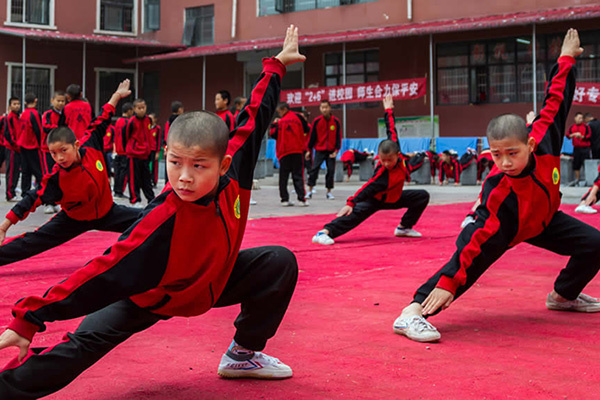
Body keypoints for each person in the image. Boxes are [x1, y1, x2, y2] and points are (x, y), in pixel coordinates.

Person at [0, 25, 303, 398]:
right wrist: (29, 316)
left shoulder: (235, 171)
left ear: (223, 165)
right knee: (80, 346)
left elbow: (254, 116)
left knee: (278, 261)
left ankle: (243, 354)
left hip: (211, 282)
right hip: (151, 296)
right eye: (175, 163)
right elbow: (101, 270)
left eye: (198, 166)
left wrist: (276, 66)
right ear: (166, 157)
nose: (185, 177)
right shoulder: (161, 222)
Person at [393, 29, 600, 344]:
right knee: (461, 270)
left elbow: (556, 98)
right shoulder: (498, 189)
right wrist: (449, 281)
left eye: (512, 153)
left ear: (530, 144)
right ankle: (410, 314)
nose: (504, 162)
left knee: (595, 243)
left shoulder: (545, 138)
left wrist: (567, 58)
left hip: (544, 220)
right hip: (505, 225)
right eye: (497, 154)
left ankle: (563, 295)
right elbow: (474, 241)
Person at [0, 80, 141, 267]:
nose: (59, 158)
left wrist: (116, 96)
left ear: (76, 145)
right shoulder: (57, 177)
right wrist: (4, 226)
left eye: (63, 150)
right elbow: (31, 199)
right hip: (73, 220)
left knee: (150, 216)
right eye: (53, 153)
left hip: (108, 212)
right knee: (31, 243)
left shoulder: (91, 144)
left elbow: (103, 117)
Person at [312, 95, 430, 245]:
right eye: (383, 160)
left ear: (397, 154)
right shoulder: (382, 173)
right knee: (354, 215)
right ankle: (324, 232)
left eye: (390, 160)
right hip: (375, 199)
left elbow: (391, 129)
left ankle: (404, 228)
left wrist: (388, 110)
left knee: (421, 196)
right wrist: (351, 202)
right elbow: (368, 187)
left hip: (394, 197)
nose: (386, 163)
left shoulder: (395, 149)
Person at [270, 102, 310, 206]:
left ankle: (284, 199)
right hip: (297, 150)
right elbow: (307, 128)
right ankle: (302, 199)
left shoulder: (280, 122)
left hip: (284, 152)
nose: (279, 114)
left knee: (283, 177)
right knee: (298, 175)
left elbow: (273, 135)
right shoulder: (298, 117)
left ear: (283, 110)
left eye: (279, 112)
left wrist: (274, 124)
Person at [306, 100, 341, 199]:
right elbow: (312, 137)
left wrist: (336, 150)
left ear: (330, 108)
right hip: (319, 150)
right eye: (322, 107)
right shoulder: (317, 121)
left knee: (330, 171)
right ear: (320, 109)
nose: (324, 109)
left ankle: (329, 191)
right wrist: (308, 150)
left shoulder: (336, 122)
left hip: (331, 151)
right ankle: (310, 190)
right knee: (314, 169)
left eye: (326, 107)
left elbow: (338, 137)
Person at [125, 98, 155, 207]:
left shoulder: (148, 120)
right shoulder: (131, 122)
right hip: (133, 154)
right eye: (139, 108)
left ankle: (151, 199)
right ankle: (135, 199)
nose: (141, 110)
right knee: (134, 179)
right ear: (134, 109)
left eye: (143, 107)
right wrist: (130, 149)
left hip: (145, 154)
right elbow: (126, 136)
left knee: (147, 179)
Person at [18, 93, 44, 196]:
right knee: (39, 171)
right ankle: (43, 191)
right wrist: (41, 143)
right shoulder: (35, 113)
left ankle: (25, 193)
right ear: (35, 100)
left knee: (25, 170)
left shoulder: (23, 113)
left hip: (23, 145)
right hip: (32, 146)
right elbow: (38, 129)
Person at [41, 91, 67, 176]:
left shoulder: (65, 114)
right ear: (52, 101)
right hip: (47, 148)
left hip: (60, 148)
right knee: (48, 172)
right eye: (58, 101)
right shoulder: (47, 114)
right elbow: (45, 127)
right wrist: (58, 128)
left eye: (62, 101)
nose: (60, 103)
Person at [112, 103, 133, 199]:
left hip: (118, 150)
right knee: (123, 173)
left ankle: (116, 190)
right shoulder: (128, 122)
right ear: (129, 111)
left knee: (118, 172)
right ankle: (120, 191)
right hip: (125, 151)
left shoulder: (117, 121)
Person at [4, 97, 22, 201]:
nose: (17, 106)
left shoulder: (18, 117)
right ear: (10, 105)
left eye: (18, 104)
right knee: (10, 171)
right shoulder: (9, 117)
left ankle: (13, 191)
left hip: (18, 148)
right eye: (14, 104)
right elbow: (8, 134)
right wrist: (15, 145)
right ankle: (9, 194)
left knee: (16, 171)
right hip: (11, 148)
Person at [566, 111, 591, 182]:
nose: (581, 119)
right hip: (576, 148)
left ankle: (587, 180)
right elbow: (568, 136)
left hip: (585, 148)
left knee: (585, 163)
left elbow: (589, 136)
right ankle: (577, 179)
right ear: (575, 118)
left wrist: (581, 136)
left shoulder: (586, 127)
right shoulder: (572, 127)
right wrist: (574, 135)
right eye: (579, 118)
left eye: (581, 118)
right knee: (576, 164)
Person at [148, 113, 161, 187]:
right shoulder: (147, 127)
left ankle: (154, 181)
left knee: (154, 166)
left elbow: (158, 140)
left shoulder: (157, 128)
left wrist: (157, 152)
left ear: (155, 119)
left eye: (151, 118)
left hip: (153, 150)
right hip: (147, 150)